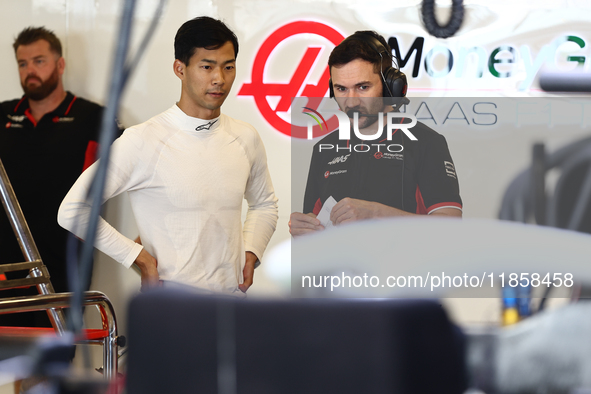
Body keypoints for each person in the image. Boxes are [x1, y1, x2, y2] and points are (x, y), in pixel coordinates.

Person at [58, 17, 278, 295]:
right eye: (207, 66)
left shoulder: (245, 136)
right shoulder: (144, 139)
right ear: (180, 69)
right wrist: (139, 258)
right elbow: (73, 210)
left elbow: (265, 204)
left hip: (232, 304)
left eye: (228, 67)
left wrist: (251, 250)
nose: (219, 79)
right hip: (169, 307)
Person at [289, 31, 462, 236]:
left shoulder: (426, 143)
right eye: (341, 89)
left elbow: (451, 228)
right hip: (342, 268)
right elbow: (316, 230)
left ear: (390, 87)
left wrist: (376, 213)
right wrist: (304, 229)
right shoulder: (325, 149)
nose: (351, 102)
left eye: (363, 87)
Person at [0, 27, 114, 326]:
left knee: (53, 364)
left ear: (60, 65)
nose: (30, 71)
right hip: (6, 264)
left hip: (64, 265)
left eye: (39, 61)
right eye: (23, 64)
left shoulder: (92, 119)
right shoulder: (3, 115)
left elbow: (136, 169)